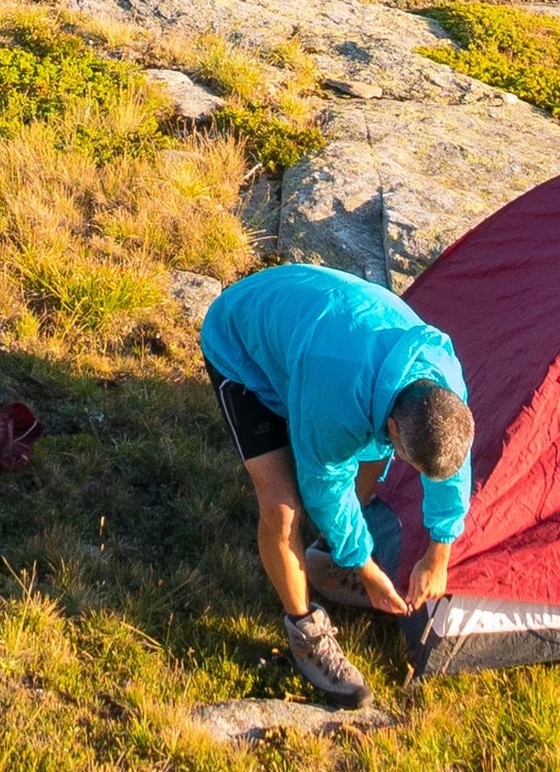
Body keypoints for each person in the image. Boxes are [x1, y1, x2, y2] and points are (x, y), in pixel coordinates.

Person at [198, 263, 476, 709]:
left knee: (369, 455)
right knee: (283, 504)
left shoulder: (442, 376)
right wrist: (367, 570)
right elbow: (325, 487)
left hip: (320, 329)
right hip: (241, 344)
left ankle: (327, 559)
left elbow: (451, 470)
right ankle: (305, 629)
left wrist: (438, 552)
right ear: (394, 426)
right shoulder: (336, 397)